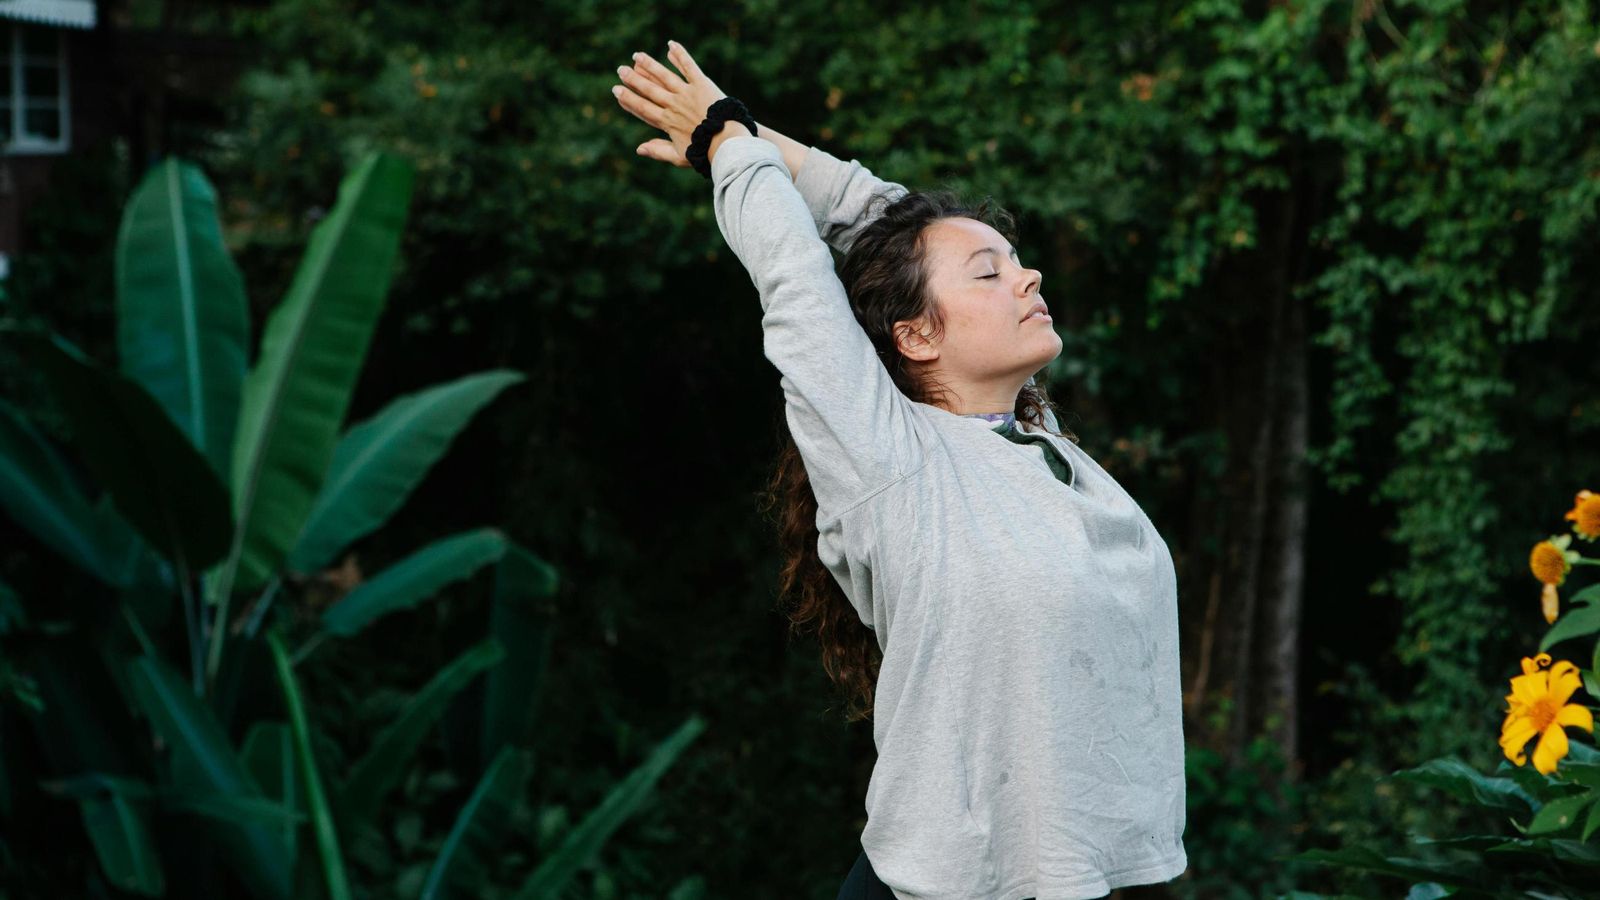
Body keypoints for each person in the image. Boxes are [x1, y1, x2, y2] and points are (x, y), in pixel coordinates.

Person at [611, 40, 1188, 900]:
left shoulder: (1036, 445)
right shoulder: (892, 459)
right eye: (989, 273)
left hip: (1103, 881)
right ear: (916, 337)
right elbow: (797, 278)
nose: (1028, 275)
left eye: (1014, 260)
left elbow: (884, 219)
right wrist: (730, 147)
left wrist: (749, 134)